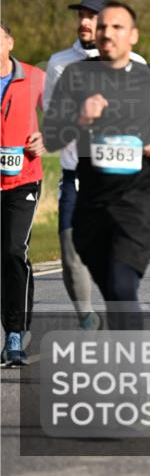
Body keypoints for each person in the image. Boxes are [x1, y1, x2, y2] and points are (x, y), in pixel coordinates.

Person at [44, 1, 150, 328]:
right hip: (89, 201)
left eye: (117, 27)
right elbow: (51, 136)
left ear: (133, 36)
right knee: (113, 291)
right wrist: (80, 117)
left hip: (136, 198)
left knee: (122, 286)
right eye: (102, 27)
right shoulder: (75, 75)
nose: (107, 33)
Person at [1, 23, 45, 366]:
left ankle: (14, 335)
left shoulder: (33, 77)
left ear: (10, 42)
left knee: (14, 250)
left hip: (23, 180)